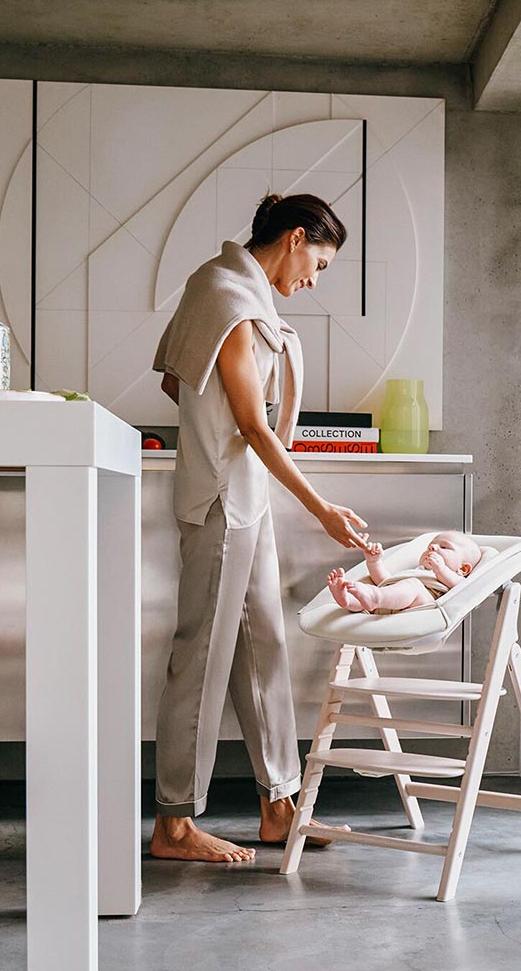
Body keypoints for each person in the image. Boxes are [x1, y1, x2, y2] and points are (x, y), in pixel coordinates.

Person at [150, 192, 366, 864]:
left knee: (265, 645)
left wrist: (211, 415)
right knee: (201, 661)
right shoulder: (230, 297)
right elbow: (251, 424)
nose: (315, 280)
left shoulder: (227, 288)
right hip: (222, 500)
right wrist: (322, 509)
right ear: (295, 238)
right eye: (319, 264)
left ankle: (279, 806)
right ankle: (173, 826)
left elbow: (178, 384)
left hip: (244, 498)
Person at [327, 531, 483, 614]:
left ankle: (374, 597)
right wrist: (374, 562)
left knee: (412, 586)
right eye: (430, 546)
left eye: (444, 547)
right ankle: (348, 600)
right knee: (378, 589)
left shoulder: (454, 578)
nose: (432, 548)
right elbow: (385, 581)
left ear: (463, 569)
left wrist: (441, 569)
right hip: (390, 601)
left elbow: (464, 588)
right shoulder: (415, 572)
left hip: (423, 607)